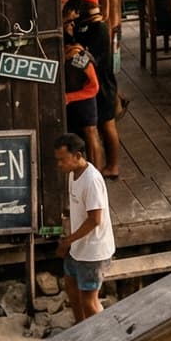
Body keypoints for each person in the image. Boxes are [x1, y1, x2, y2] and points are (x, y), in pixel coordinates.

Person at [54, 133, 114, 321]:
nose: (59, 164)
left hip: (93, 251)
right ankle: (80, 330)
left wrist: (67, 242)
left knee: (90, 301)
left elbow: (95, 219)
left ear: (78, 156)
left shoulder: (92, 180)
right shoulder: (73, 174)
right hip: (78, 248)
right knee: (71, 286)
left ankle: (102, 339)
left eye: (63, 160)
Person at [69, 0, 120, 171]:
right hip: (97, 81)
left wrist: (74, 56)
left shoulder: (100, 29)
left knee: (107, 124)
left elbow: (90, 58)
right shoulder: (87, 25)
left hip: (104, 83)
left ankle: (113, 165)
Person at [61, 16, 103, 165]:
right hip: (74, 100)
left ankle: (97, 174)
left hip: (84, 100)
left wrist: (69, 97)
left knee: (91, 134)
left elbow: (94, 86)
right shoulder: (67, 53)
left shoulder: (79, 56)